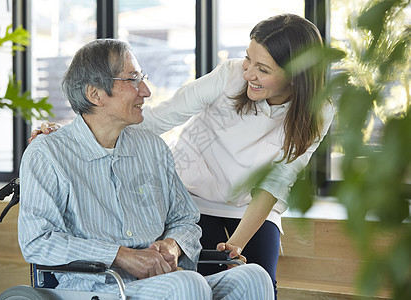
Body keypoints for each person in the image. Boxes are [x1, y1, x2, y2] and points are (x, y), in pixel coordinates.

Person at [31, 14, 335, 297]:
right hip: (195, 194)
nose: (248, 73)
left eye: (263, 69)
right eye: (248, 59)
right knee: (193, 281)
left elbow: (276, 182)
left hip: (250, 206)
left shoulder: (318, 111)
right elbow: (162, 116)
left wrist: (231, 245)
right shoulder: (230, 77)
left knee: (258, 279)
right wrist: (74, 133)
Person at [18, 38, 274, 299]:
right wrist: (121, 256)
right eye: (133, 80)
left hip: (166, 284)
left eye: (143, 78)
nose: (146, 91)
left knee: (252, 276)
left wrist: (173, 246)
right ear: (95, 94)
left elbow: (185, 220)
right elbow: (37, 241)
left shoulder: (152, 148)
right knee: (187, 284)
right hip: (97, 288)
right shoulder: (48, 153)